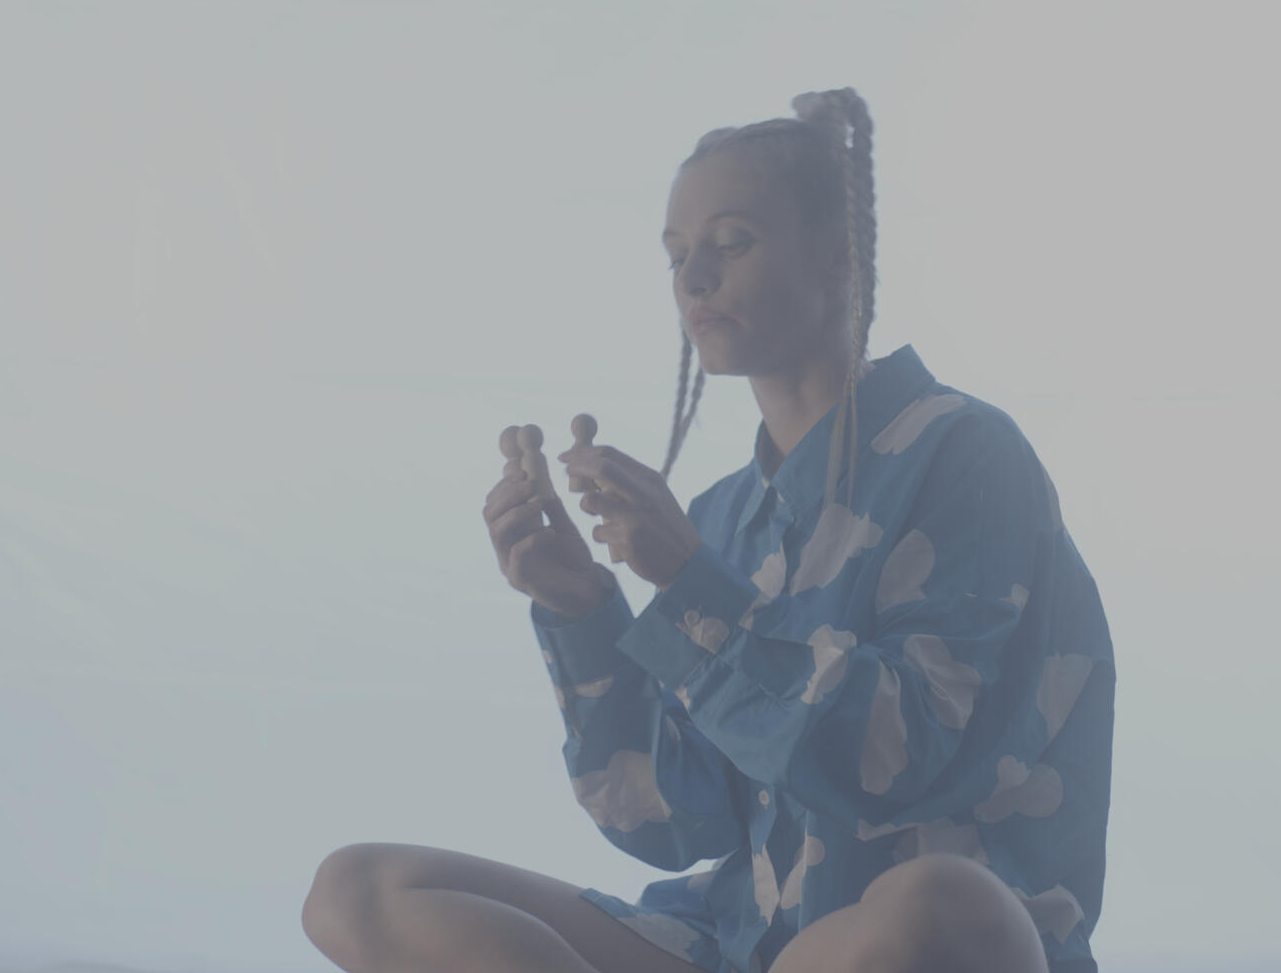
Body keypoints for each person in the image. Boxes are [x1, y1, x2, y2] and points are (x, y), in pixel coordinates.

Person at [302, 88, 1115, 973]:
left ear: (838, 254)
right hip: (736, 945)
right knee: (358, 891)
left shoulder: (964, 452)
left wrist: (693, 585)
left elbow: (893, 760)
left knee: (941, 906)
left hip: (928, 948)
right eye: (676, 255)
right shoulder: (725, 515)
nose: (694, 278)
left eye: (732, 243)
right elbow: (678, 820)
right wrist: (583, 612)